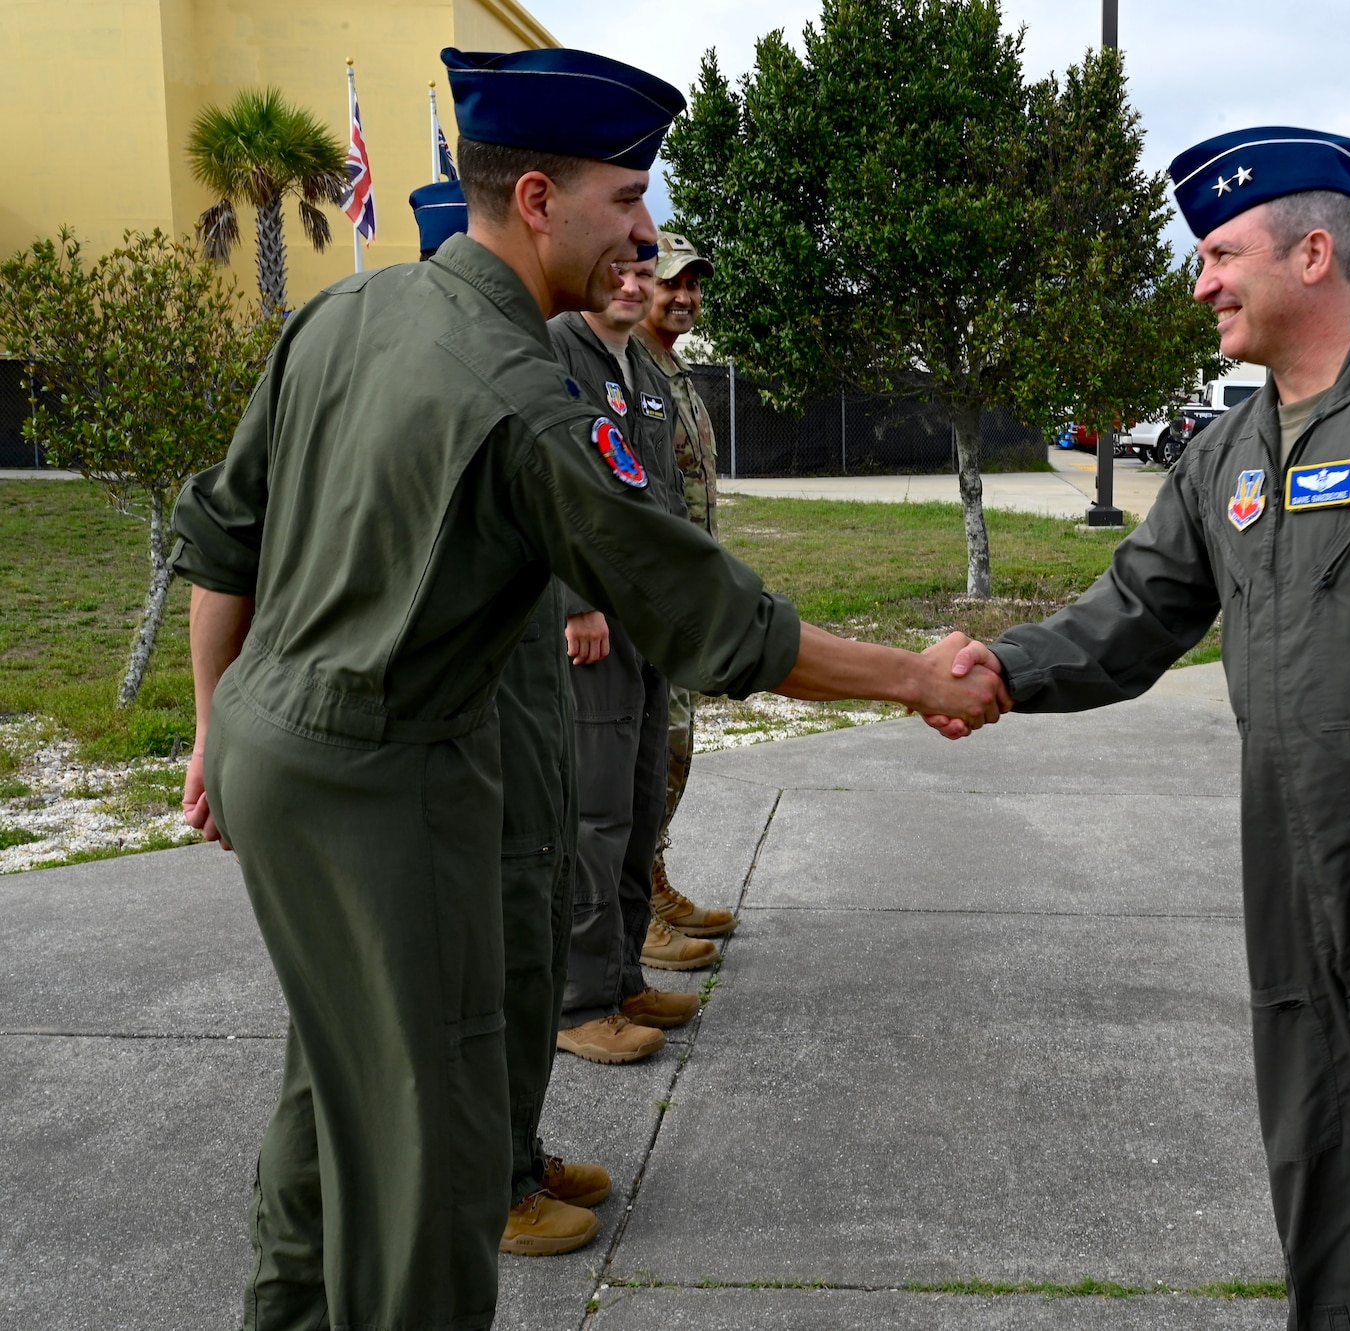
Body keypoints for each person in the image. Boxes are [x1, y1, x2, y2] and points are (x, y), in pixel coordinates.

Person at [176, 46, 1007, 1331]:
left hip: (273, 750)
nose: (643, 232)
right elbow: (705, 613)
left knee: (330, 1083)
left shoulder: (345, 315)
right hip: (386, 780)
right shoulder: (521, 397)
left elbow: (222, 535)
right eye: (626, 201)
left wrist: (211, 724)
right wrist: (911, 675)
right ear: (536, 203)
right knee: (431, 1143)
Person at [946, 127, 1350, 1331]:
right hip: (1289, 857)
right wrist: (997, 666)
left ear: (1310, 252)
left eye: (1217, 253)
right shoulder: (1227, 451)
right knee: (1326, 1162)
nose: (1198, 283)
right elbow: (1131, 614)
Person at [411, 177, 615, 1254]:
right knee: (484, 965)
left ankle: (515, 1147)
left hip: (529, 698)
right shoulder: (459, 379)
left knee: (531, 938)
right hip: (467, 728)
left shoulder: (523, 365)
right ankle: (485, 1183)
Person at [545, 253, 711, 1065]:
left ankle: (623, 976)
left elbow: (664, 501)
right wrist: (576, 598)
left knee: (642, 805)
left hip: (647, 623)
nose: (636, 285)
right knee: (597, 816)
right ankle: (580, 1002)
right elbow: (540, 483)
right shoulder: (555, 350)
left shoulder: (637, 367)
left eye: (646, 272)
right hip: (595, 626)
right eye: (620, 267)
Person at [628, 232, 738, 958]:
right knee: (651, 750)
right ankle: (634, 912)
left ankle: (653, 876)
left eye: (694, 286)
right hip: (646, 597)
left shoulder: (676, 374)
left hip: (684, 594)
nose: (686, 298)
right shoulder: (629, 374)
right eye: (673, 284)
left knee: (677, 743)